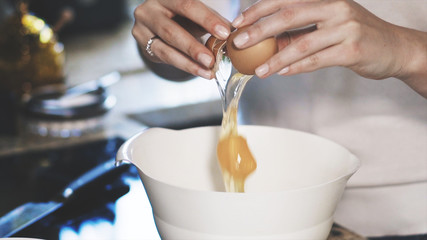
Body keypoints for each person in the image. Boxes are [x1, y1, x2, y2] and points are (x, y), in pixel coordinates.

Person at [132, 0, 427, 238]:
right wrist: (161, 39)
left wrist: (407, 50)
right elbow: (194, 41)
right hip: (266, 202)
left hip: (411, 212)